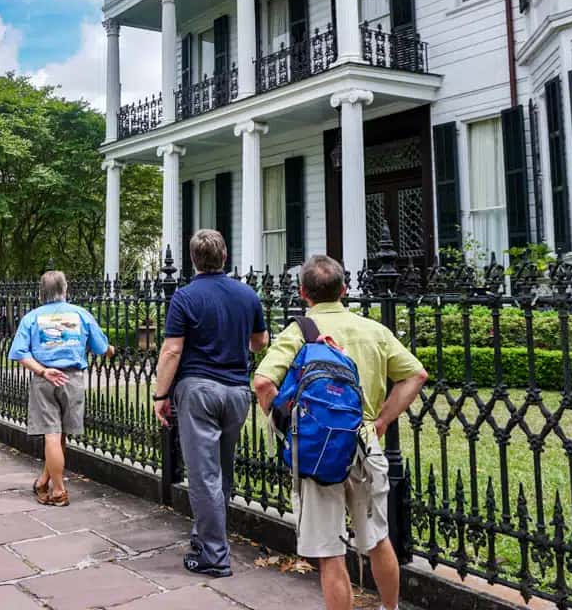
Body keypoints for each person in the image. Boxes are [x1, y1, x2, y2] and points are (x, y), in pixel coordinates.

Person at [252, 255, 428, 610]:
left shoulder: (299, 331)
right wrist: (381, 421)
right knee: (378, 540)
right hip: (363, 443)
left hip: (317, 450)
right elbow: (416, 375)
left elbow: (262, 383)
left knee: (330, 554)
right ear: (345, 289)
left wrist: (289, 428)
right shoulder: (373, 330)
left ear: (304, 293)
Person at [152, 229, 268, 578]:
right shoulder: (246, 294)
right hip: (236, 391)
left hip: (199, 390)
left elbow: (172, 350)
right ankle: (205, 538)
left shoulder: (185, 297)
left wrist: (160, 395)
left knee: (203, 476)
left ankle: (214, 556)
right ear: (225, 255)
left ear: (192, 260)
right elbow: (260, 341)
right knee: (221, 470)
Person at [8, 270, 112, 506]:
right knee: (59, 434)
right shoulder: (80, 314)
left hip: (45, 378)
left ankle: (50, 485)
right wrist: (109, 350)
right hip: (72, 378)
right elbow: (100, 346)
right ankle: (58, 489)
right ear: (65, 290)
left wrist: (43, 371)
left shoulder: (31, 318)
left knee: (53, 435)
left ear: (41, 292)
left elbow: (19, 353)